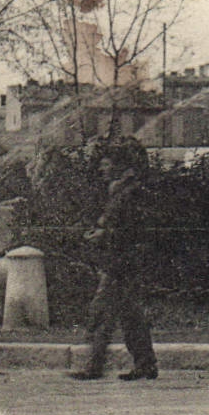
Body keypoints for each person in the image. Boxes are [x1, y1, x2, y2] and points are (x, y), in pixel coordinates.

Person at [69, 159, 159, 381]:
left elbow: (133, 231)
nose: (102, 168)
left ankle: (95, 366)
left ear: (121, 167)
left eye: (107, 164)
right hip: (121, 262)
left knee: (102, 312)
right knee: (130, 315)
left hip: (121, 263)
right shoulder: (122, 191)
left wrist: (104, 235)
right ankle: (145, 363)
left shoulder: (129, 193)